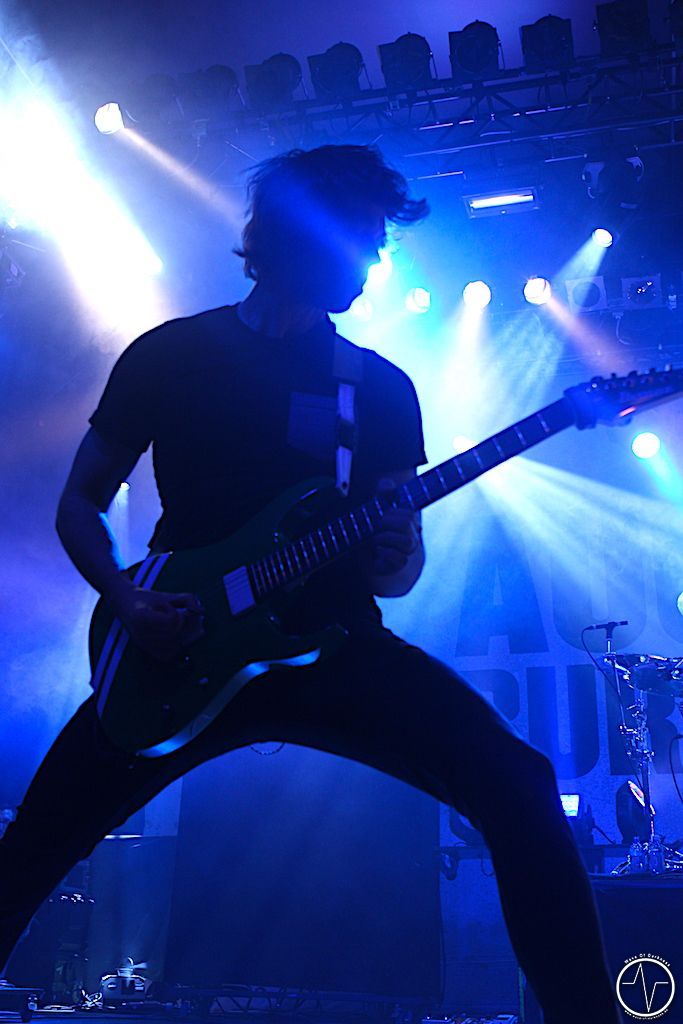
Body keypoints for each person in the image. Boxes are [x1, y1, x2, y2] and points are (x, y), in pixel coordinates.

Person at [0, 145, 622, 1023]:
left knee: (517, 784)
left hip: (332, 644)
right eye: (359, 240)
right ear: (295, 236)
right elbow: (79, 503)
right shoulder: (172, 355)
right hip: (181, 646)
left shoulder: (377, 388)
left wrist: (392, 548)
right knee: (34, 846)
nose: (372, 263)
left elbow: (397, 576)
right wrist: (129, 600)